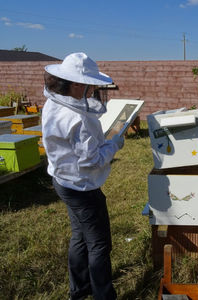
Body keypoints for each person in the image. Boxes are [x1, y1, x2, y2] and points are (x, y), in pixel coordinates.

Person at [42, 52, 124, 300]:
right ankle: (103, 295)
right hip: (82, 187)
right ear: (76, 83)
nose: (91, 90)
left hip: (62, 181)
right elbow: (91, 161)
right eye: (88, 84)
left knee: (79, 235)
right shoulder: (78, 117)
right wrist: (114, 144)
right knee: (99, 244)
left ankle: (79, 290)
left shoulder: (53, 103)